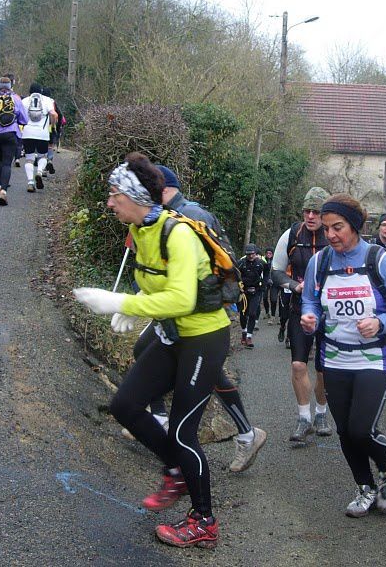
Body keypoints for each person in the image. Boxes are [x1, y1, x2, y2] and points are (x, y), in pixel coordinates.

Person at [73, 153, 229, 549]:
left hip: (204, 338)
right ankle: (177, 470)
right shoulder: (143, 229)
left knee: (181, 431)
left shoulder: (176, 233)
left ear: (136, 196)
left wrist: (122, 303)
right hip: (171, 336)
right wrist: (139, 299)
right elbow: (157, 283)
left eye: (114, 194)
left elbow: (180, 297)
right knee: (124, 405)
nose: (109, 202)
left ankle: (204, 521)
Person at [134, 164, 267, 473]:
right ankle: (164, 419)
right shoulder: (168, 216)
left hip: (201, 311)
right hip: (183, 309)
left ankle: (243, 435)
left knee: (203, 371)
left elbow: (207, 270)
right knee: (147, 351)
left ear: (162, 189)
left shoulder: (191, 216)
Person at [301, 193, 386, 517]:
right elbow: (310, 300)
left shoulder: (379, 260)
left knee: (360, 429)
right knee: (343, 432)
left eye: (337, 227)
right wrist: (309, 318)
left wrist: (380, 322)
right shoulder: (319, 262)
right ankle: (365, 487)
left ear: (354, 226)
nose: (331, 235)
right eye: (326, 229)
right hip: (335, 356)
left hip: (374, 357)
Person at [271, 186, 334, 442]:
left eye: (316, 212)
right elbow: (276, 271)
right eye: (307, 210)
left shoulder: (334, 235)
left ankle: (321, 413)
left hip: (329, 312)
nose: (310, 216)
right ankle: (303, 417)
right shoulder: (291, 234)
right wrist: (295, 286)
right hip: (300, 307)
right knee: (298, 363)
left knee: (323, 368)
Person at [0, 76, 27, 206]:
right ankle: (3, 191)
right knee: (7, 163)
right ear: (10, 86)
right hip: (11, 133)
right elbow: (24, 119)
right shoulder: (16, 98)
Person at [20, 83, 57, 193]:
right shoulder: (47, 100)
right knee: (43, 156)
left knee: (29, 158)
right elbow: (54, 114)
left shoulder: (25, 101)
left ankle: (30, 182)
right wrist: (52, 125)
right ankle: (40, 172)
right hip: (42, 133)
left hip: (27, 133)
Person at [238, 243, 265, 348]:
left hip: (256, 291)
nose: (250, 256)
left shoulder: (261, 263)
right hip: (243, 292)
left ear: (256, 253)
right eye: (248, 254)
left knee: (253, 313)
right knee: (243, 313)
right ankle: (244, 332)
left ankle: (249, 336)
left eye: (252, 254)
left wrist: (264, 285)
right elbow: (235, 275)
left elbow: (267, 273)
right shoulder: (240, 263)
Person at [262, 248, 278, 323]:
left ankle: (273, 316)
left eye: (270, 253)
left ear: (273, 254)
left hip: (274, 282)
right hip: (265, 282)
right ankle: (267, 312)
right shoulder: (263, 260)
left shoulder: (275, 261)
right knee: (264, 298)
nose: (268, 255)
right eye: (267, 253)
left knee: (273, 299)